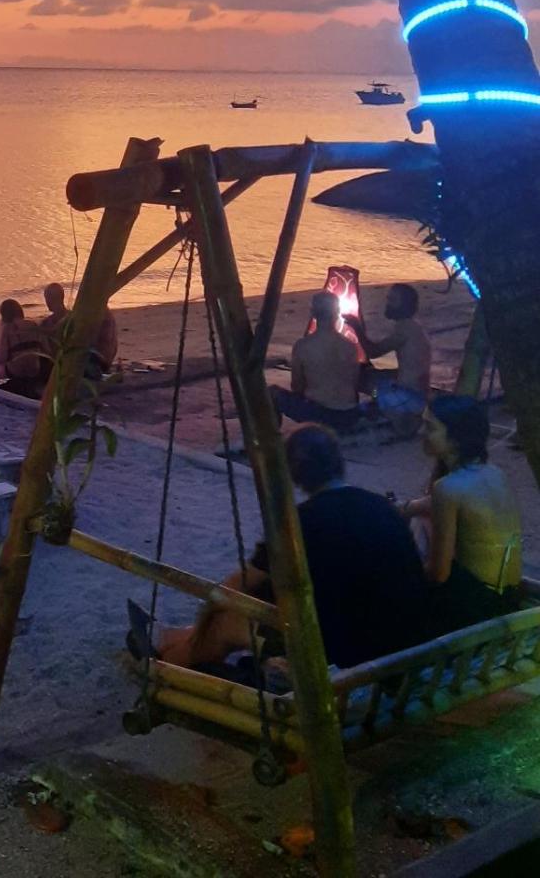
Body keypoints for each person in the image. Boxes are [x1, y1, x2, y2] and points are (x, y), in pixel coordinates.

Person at [131, 424, 430, 671]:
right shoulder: (381, 506)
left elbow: (240, 583)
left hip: (347, 653)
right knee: (255, 600)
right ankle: (171, 637)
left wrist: (205, 616)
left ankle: (167, 663)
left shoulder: (302, 522)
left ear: (295, 472)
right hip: (399, 637)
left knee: (225, 621)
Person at [397, 396, 523, 632]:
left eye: (430, 427)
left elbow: (439, 574)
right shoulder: (495, 473)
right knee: (420, 521)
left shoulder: (447, 488)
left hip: (477, 608)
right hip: (508, 598)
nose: (421, 432)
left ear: (456, 438)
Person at [274, 291, 362, 433]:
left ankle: (272, 436)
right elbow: (354, 382)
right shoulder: (350, 345)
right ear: (337, 313)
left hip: (320, 416)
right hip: (349, 415)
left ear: (313, 314)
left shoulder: (303, 346)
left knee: (273, 393)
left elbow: (297, 386)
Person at [348, 283, 432, 418]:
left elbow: (373, 352)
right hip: (418, 392)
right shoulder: (413, 326)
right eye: (388, 299)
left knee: (363, 381)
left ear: (404, 305)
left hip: (410, 397)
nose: (387, 304)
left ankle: (375, 404)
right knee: (378, 374)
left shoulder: (405, 329)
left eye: (392, 300)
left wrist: (356, 327)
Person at [40, 282, 118, 376]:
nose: (47, 302)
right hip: (99, 358)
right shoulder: (89, 313)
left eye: (48, 298)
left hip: (98, 361)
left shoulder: (90, 315)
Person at [0, 299, 50, 399]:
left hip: (17, 371)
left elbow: (2, 357)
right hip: (35, 368)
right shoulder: (33, 324)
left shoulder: (8, 328)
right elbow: (45, 349)